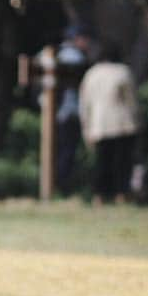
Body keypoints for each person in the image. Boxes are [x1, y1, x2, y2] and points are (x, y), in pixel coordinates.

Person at [79, 44, 140, 206]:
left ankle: (98, 197)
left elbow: (85, 104)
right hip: (123, 123)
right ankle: (121, 195)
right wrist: (138, 121)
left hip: (99, 124)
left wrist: (86, 128)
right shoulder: (123, 72)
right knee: (122, 163)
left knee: (102, 163)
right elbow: (131, 101)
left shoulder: (92, 74)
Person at [54, 26, 91, 195]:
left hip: (58, 112)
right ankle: (63, 187)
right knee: (67, 151)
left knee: (62, 150)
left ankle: (59, 185)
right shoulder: (74, 57)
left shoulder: (58, 54)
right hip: (69, 111)